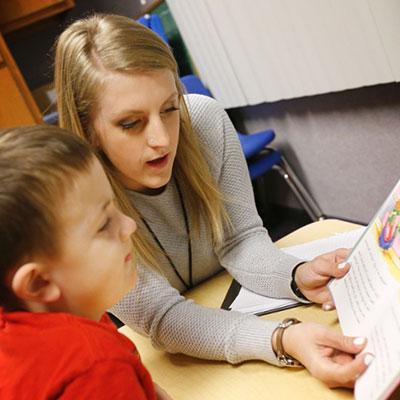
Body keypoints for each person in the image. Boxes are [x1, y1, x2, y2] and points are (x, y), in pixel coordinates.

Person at [54, 14, 373, 388]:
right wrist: (281, 339)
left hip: (227, 314)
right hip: (181, 362)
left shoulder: (203, 120)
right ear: (87, 128)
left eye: (170, 108)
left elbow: (239, 239)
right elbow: (162, 317)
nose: (162, 139)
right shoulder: (77, 196)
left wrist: (296, 275)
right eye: (131, 123)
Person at [0, 125, 171, 399]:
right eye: (104, 224)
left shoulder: (35, 319)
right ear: (39, 282)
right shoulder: (94, 367)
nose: (129, 225)